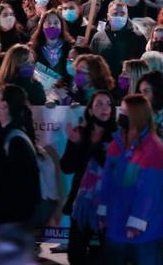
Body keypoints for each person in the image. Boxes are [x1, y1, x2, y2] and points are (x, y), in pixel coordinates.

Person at [98, 94, 163, 265]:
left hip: (145, 230)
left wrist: (137, 221)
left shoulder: (153, 147)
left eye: (124, 112)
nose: (119, 116)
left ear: (136, 116)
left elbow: (149, 190)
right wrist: (103, 209)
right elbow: (107, 179)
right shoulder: (117, 142)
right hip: (116, 223)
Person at [61, 90, 116, 265]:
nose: (104, 108)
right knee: (76, 255)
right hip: (81, 203)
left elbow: (113, 169)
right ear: (90, 110)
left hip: (108, 205)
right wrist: (76, 144)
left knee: (103, 256)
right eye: (99, 103)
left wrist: (94, 148)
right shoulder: (80, 133)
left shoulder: (118, 135)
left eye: (108, 103)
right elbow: (67, 167)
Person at [0, 84, 41, 227]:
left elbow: (11, 181)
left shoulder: (16, 140)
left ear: (4, 105)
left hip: (11, 218)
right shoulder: (1, 134)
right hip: (4, 215)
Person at [90, 1, 149, 78]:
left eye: (122, 13)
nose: (119, 16)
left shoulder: (138, 37)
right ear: (108, 16)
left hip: (128, 84)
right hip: (103, 83)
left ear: (127, 15)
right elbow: (92, 63)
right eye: (115, 14)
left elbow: (142, 65)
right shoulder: (98, 37)